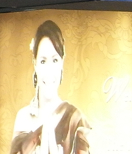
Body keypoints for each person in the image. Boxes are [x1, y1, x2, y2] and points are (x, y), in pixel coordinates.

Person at [11, 20, 91, 154]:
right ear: (35, 64)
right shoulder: (23, 118)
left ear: (62, 63)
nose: (49, 70)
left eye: (55, 60)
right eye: (43, 61)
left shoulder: (76, 120)